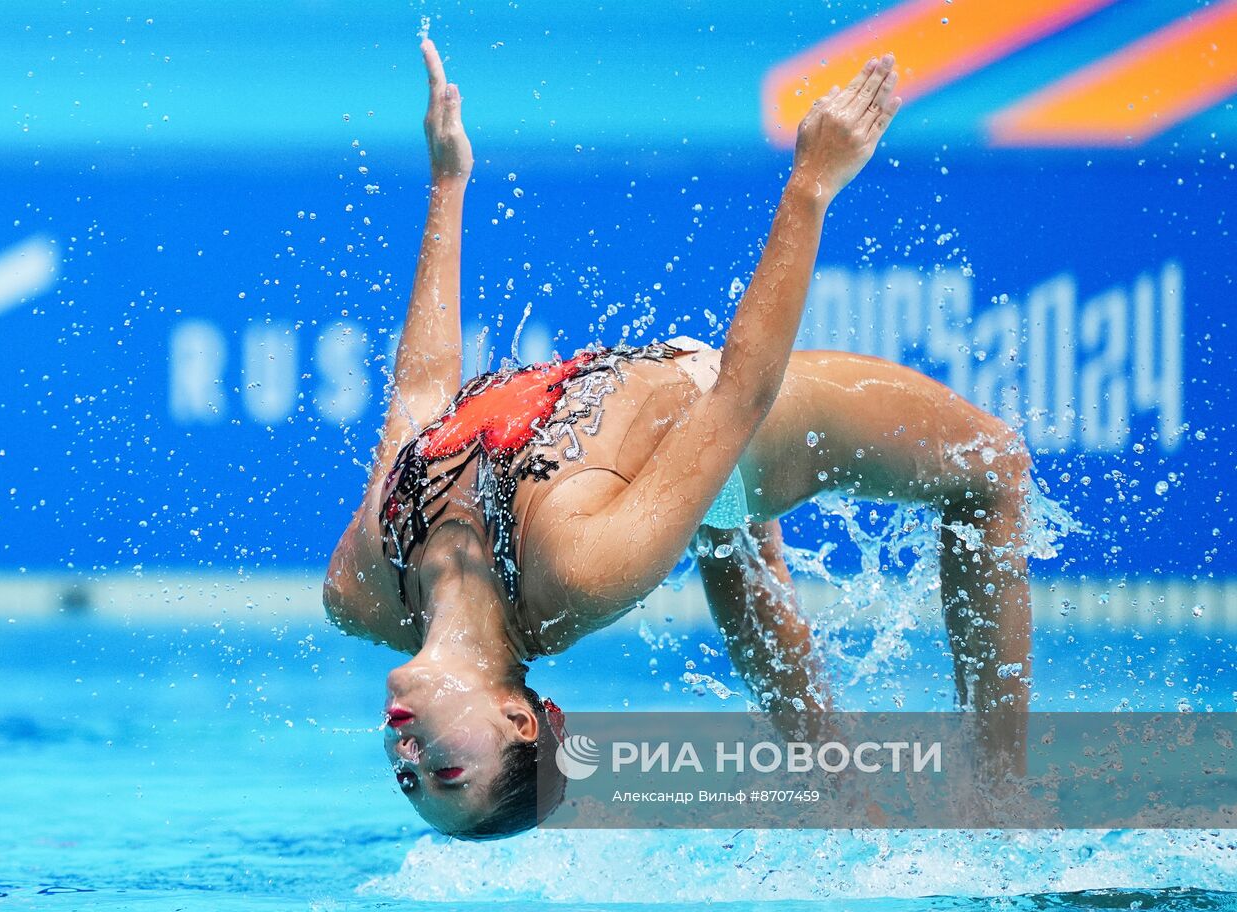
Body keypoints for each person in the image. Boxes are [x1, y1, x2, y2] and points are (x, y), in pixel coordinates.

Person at [324, 40, 1034, 840]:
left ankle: (847, 804)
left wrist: (448, 179)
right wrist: (811, 182)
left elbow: (421, 389)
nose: (407, 755)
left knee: (725, 535)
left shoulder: (361, 588)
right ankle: (999, 804)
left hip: (656, 476)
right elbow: (739, 395)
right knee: (994, 468)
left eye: (406, 777)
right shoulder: (580, 573)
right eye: (443, 773)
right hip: (714, 406)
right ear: (519, 721)